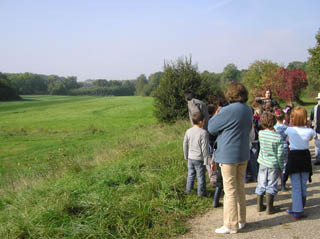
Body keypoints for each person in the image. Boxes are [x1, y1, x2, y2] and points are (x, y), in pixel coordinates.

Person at [208, 82, 252, 234]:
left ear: (230, 94)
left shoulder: (227, 110)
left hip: (228, 155)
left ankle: (230, 225)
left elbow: (211, 128)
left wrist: (217, 114)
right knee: (240, 187)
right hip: (243, 153)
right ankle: (241, 220)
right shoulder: (248, 109)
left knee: (230, 190)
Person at [284, 106, 315, 220]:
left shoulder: (290, 130)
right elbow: (312, 135)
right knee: (303, 184)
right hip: (305, 157)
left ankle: (297, 209)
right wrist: (307, 125)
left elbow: (286, 134)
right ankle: (300, 206)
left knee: (295, 185)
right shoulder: (309, 131)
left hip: (294, 158)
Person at [255, 112, 285, 215]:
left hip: (262, 163)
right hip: (273, 164)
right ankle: (270, 207)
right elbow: (280, 154)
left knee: (261, 182)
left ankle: (259, 205)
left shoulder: (261, 134)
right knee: (271, 184)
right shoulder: (278, 137)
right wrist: (282, 166)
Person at [183, 111, 211, 197]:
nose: (204, 123)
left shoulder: (188, 131)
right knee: (200, 176)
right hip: (199, 159)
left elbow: (184, 144)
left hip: (190, 158)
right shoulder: (203, 133)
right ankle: (201, 194)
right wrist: (207, 161)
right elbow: (205, 148)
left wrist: (186, 155)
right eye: (204, 121)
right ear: (200, 122)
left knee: (190, 175)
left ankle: (188, 191)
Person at [274, 108, 289, 191]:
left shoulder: (273, 128)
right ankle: (283, 185)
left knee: (275, 166)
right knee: (283, 166)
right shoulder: (286, 128)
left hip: (275, 148)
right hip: (284, 147)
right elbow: (288, 139)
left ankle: (275, 185)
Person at [309, 93, 320, 165]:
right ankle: (318, 159)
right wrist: (311, 128)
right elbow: (311, 119)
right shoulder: (314, 108)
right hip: (317, 130)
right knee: (317, 146)